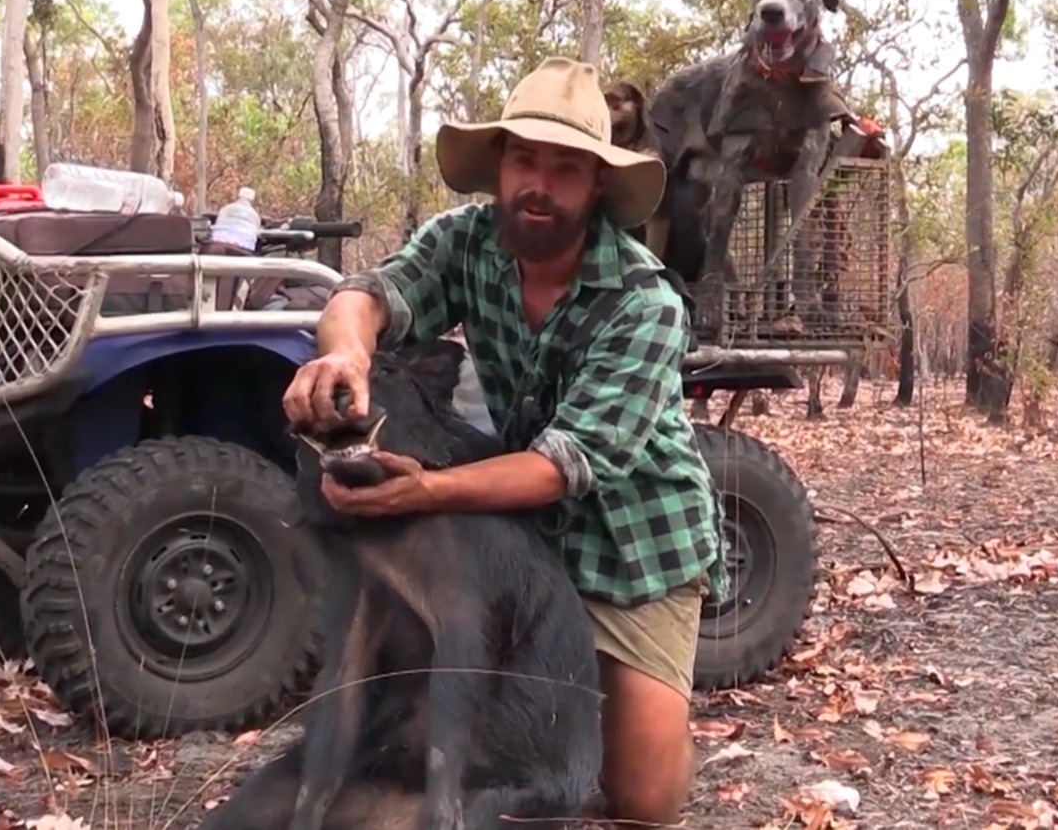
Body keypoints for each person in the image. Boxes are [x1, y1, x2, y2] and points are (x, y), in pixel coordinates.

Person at [283, 56, 727, 826]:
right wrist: (346, 352)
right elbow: (368, 294)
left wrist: (424, 490)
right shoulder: (467, 241)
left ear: (595, 186)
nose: (538, 185)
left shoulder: (644, 300)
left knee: (641, 798)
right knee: (460, 719)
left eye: (565, 169)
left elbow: (563, 465)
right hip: (516, 526)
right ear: (498, 167)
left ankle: (657, 720)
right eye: (524, 159)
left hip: (634, 546)